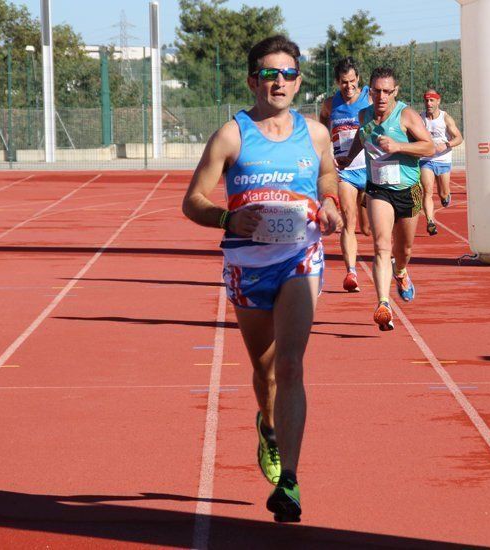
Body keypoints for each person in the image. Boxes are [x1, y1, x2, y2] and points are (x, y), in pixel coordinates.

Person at [181, 35, 342, 523]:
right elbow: (193, 201)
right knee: (266, 371)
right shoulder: (232, 135)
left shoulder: (315, 133)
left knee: (291, 365)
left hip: (300, 257)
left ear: (298, 81)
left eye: (288, 73)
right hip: (247, 266)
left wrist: (331, 202)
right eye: (269, 73)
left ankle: (289, 482)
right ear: (253, 80)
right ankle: (267, 426)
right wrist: (228, 221)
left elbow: (328, 175)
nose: (279, 81)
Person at [340, 67, 434, 331]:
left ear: (395, 91)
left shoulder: (406, 116)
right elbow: (362, 136)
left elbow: (430, 146)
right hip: (378, 189)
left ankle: (401, 272)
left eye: (387, 91)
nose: (381, 96)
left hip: (408, 189)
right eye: (377, 91)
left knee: (402, 250)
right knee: (381, 246)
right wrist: (349, 157)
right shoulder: (364, 115)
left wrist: (399, 146)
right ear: (370, 91)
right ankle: (383, 303)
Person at [319, 57, 372, 293]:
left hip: (372, 170)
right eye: (343, 83)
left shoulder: (370, 97)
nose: (348, 87)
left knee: (369, 228)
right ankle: (351, 272)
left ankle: (392, 258)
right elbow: (322, 122)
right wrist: (325, 141)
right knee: (348, 221)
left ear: (358, 79)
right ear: (337, 82)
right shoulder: (331, 104)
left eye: (352, 82)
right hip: (346, 171)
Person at [418, 88, 463, 236]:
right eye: (426, 100)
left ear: (438, 101)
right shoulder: (420, 119)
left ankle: (446, 196)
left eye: (432, 100)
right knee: (427, 191)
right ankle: (430, 221)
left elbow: (458, 137)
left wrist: (446, 144)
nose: (429, 103)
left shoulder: (445, 118)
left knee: (442, 193)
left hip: (443, 160)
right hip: (426, 160)